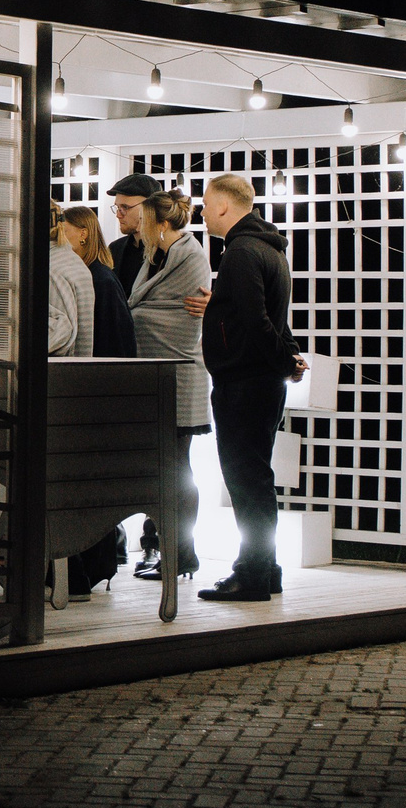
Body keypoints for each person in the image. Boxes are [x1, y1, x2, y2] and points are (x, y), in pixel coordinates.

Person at [197, 173, 305, 601]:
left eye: (205, 204)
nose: (201, 212)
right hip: (261, 381)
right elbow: (276, 318)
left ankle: (253, 574)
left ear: (224, 206)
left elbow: (257, 321)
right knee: (257, 478)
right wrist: (290, 355)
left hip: (243, 381)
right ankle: (266, 570)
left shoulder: (240, 252)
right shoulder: (270, 249)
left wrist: (284, 358)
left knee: (246, 480)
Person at [125, 189, 209, 582]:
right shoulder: (157, 257)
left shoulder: (190, 256)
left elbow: (177, 323)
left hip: (179, 376)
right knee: (169, 469)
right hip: (161, 378)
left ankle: (181, 553)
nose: (137, 228)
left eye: (142, 221)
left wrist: (136, 318)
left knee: (177, 470)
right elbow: (147, 307)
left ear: (161, 224)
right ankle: (173, 551)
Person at [59, 205, 135, 358]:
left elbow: (114, 339)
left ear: (83, 234)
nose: (59, 239)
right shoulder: (88, 274)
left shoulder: (101, 280)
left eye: (64, 232)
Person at [47, 201, 94, 357]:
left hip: (53, 367)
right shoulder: (74, 262)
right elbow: (86, 336)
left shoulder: (49, 268)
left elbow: (60, 332)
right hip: (76, 368)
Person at [106, 172, 162, 292]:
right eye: (117, 207)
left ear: (150, 207)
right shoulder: (115, 249)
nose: (118, 215)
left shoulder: (167, 250)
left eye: (125, 207)